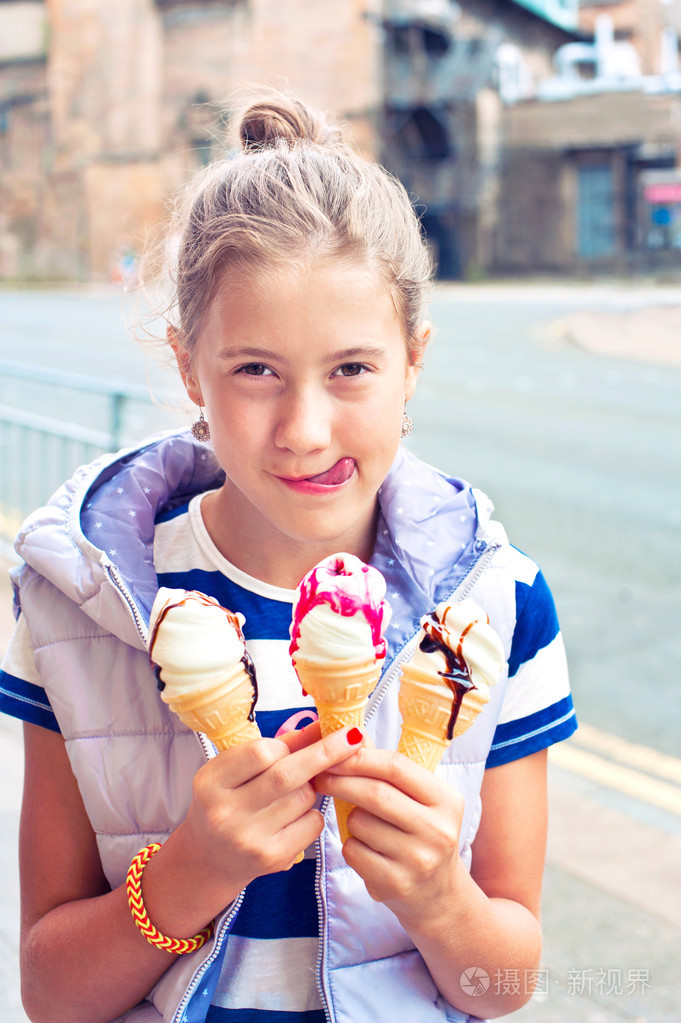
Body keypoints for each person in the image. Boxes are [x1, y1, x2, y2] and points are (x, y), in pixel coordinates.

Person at [0, 93, 576, 1023]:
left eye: (351, 369)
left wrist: (440, 898)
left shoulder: (498, 608)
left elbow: (503, 986)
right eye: (255, 370)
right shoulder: (79, 607)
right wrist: (189, 873)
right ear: (189, 368)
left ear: (412, 362)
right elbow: (52, 995)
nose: (304, 430)